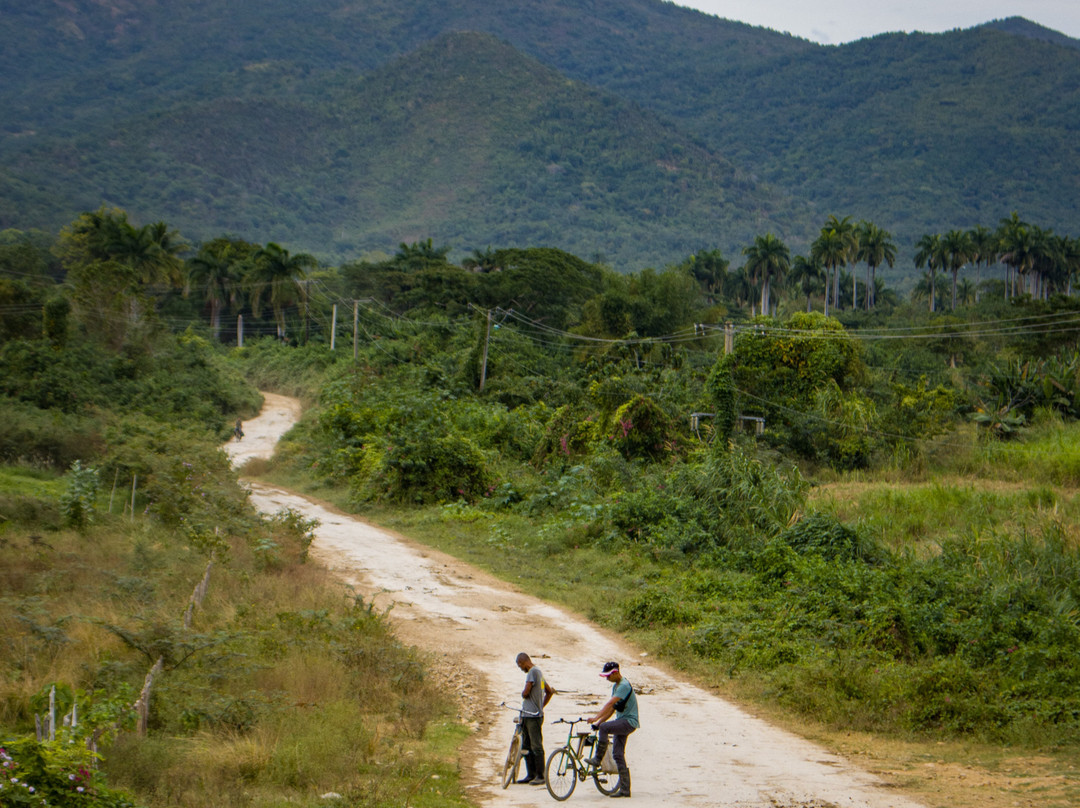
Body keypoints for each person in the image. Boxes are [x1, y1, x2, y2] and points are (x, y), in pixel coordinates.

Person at [586, 661, 638, 798]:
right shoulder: (616, 686)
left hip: (629, 722)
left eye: (608, 676)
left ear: (615, 673)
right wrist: (599, 722)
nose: (607, 679)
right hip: (622, 721)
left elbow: (609, 704)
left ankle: (597, 759)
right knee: (618, 754)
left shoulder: (624, 686)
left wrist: (596, 718)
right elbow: (612, 709)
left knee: (605, 728)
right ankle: (625, 789)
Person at [515, 652, 555, 785]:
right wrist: (541, 706)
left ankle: (540, 775)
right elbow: (549, 691)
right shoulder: (539, 672)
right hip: (531, 714)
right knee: (526, 745)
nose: (520, 668)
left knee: (535, 745)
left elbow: (526, 692)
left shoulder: (532, 672)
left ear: (523, 662)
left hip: (532, 716)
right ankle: (530, 774)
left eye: (520, 665)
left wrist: (524, 694)